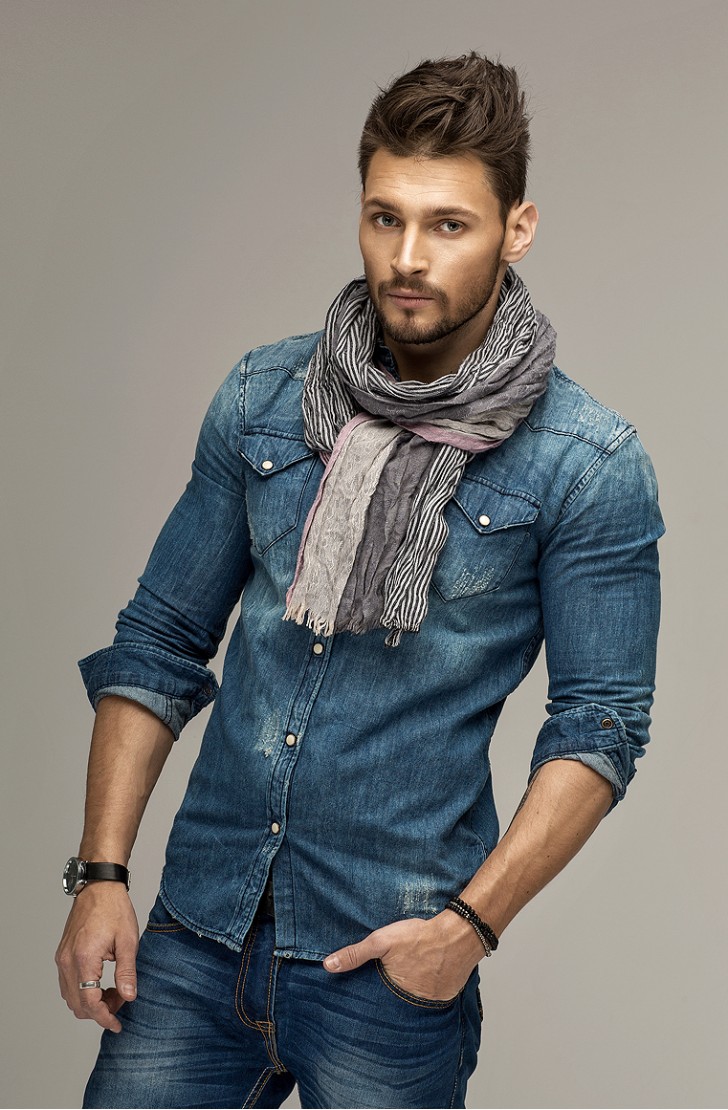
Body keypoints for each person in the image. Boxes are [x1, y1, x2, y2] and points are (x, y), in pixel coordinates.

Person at [56, 52, 664, 1109]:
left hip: (388, 965)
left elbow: (599, 726)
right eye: (386, 218)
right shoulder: (264, 396)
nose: (408, 258)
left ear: (516, 228)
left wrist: (464, 932)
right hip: (198, 934)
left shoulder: (586, 462)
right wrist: (101, 875)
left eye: (448, 224)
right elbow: (158, 639)